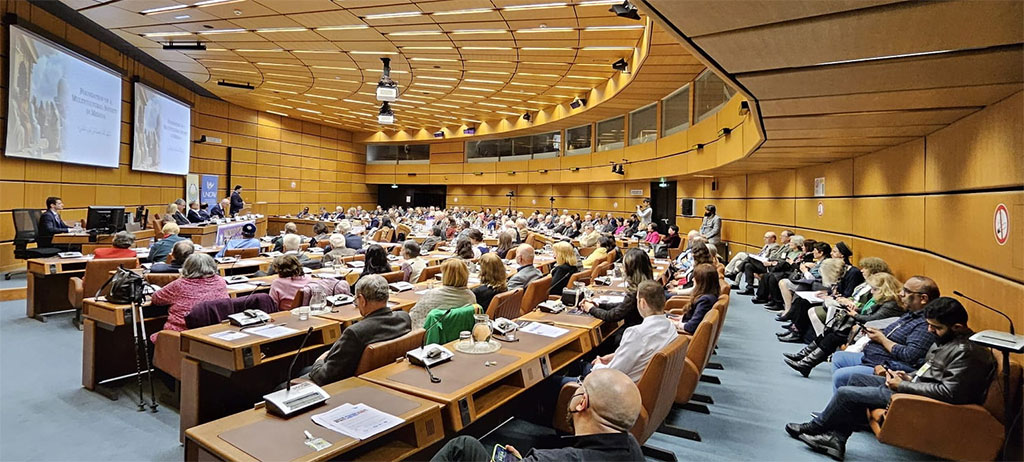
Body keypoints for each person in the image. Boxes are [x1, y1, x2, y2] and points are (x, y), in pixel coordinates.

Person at [785, 297, 996, 461]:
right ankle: (835, 440)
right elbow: (928, 371)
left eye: (936, 327)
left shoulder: (966, 351)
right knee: (857, 380)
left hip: (922, 400)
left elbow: (950, 393)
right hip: (913, 386)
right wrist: (907, 376)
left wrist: (903, 385)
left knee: (846, 393)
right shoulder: (946, 341)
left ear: (957, 327)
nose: (930, 331)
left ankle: (816, 428)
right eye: (930, 325)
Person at [431, 368, 644, 462]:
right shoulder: (632, 447)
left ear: (581, 403)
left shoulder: (551, 459)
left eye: (580, 386)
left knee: (463, 446)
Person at [785, 271, 906, 377]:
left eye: (874, 289)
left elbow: (873, 319)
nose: (872, 291)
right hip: (863, 327)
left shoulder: (891, 304)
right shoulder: (883, 299)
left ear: (883, 289)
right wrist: (854, 310)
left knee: (834, 335)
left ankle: (806, 362)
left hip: (874, 331)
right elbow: (868, 311)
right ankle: (804, 358)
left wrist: (854, 314)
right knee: (831, 330)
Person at [830, 275, 939, 392]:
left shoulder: (926, 324)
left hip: (888, 365)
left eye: (906, 292)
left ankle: (842, 405)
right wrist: (879, 332)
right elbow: (894, 333)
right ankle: (843, 403)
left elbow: (910, 356)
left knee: (841, 376)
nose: (901, 294)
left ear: (923, 298)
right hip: (873, 357)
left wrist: (882, 339)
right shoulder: (912, 314)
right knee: (839, 357)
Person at [305, 275, 412, 386]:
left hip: (346, 386)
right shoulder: (404, 318)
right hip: (387, 378)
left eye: (356, 299)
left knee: (295, 377)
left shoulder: (355, 332)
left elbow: (324, 377)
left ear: (362, 300)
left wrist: (319, 360)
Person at [587, 280, 678, 382]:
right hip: (650, 385)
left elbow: (612, 373)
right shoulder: (670, 326)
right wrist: (615, 356)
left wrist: (597, 365)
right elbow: (645, 352)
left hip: (621, 389)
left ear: (642, 303)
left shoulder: (637, 334)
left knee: (580, 368)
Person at [149, 253, 228, 342]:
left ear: (187, 267)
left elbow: (156, 299)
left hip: (180, 337)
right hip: (213, 334)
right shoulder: (221, 281)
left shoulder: (180, 284)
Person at [580, 248, 653, 331]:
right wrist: (599, 305)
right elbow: (624, 305)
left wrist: (591, 308)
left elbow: (611, 316)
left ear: (630, 269)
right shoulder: (650, 286)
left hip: (635, 333)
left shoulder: (635, 293)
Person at [409, 259, 476, 328]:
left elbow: (413, 318)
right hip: (457, 332)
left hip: (432, 334)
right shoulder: (471, 296)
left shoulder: (432, 295)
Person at [672, 263, 721, 335]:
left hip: (685, 335)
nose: (692, 279)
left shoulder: (705, 300)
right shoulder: (710, 295)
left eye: (695, 277)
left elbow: (691, 327)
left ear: (702, 282)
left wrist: (676, 324)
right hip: (685, 322)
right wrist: (680, 318)